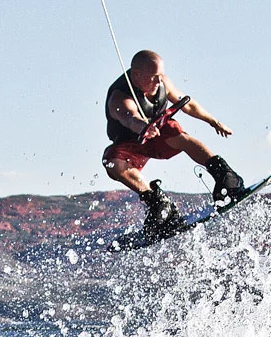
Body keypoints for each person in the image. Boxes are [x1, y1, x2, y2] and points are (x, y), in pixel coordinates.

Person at [102, 50, 246, 235]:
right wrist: (143, 127)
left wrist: (213, 121)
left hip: (158, 134)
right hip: (132, 143)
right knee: (111, 162)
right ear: (136, 74)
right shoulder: (119, 97)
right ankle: (158, 205)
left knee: (178, 134)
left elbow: (189, 104)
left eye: (160, 76)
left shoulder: (163, 83)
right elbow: (130, 118)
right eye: (154, 77)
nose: (159, 81)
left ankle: (226, 176)